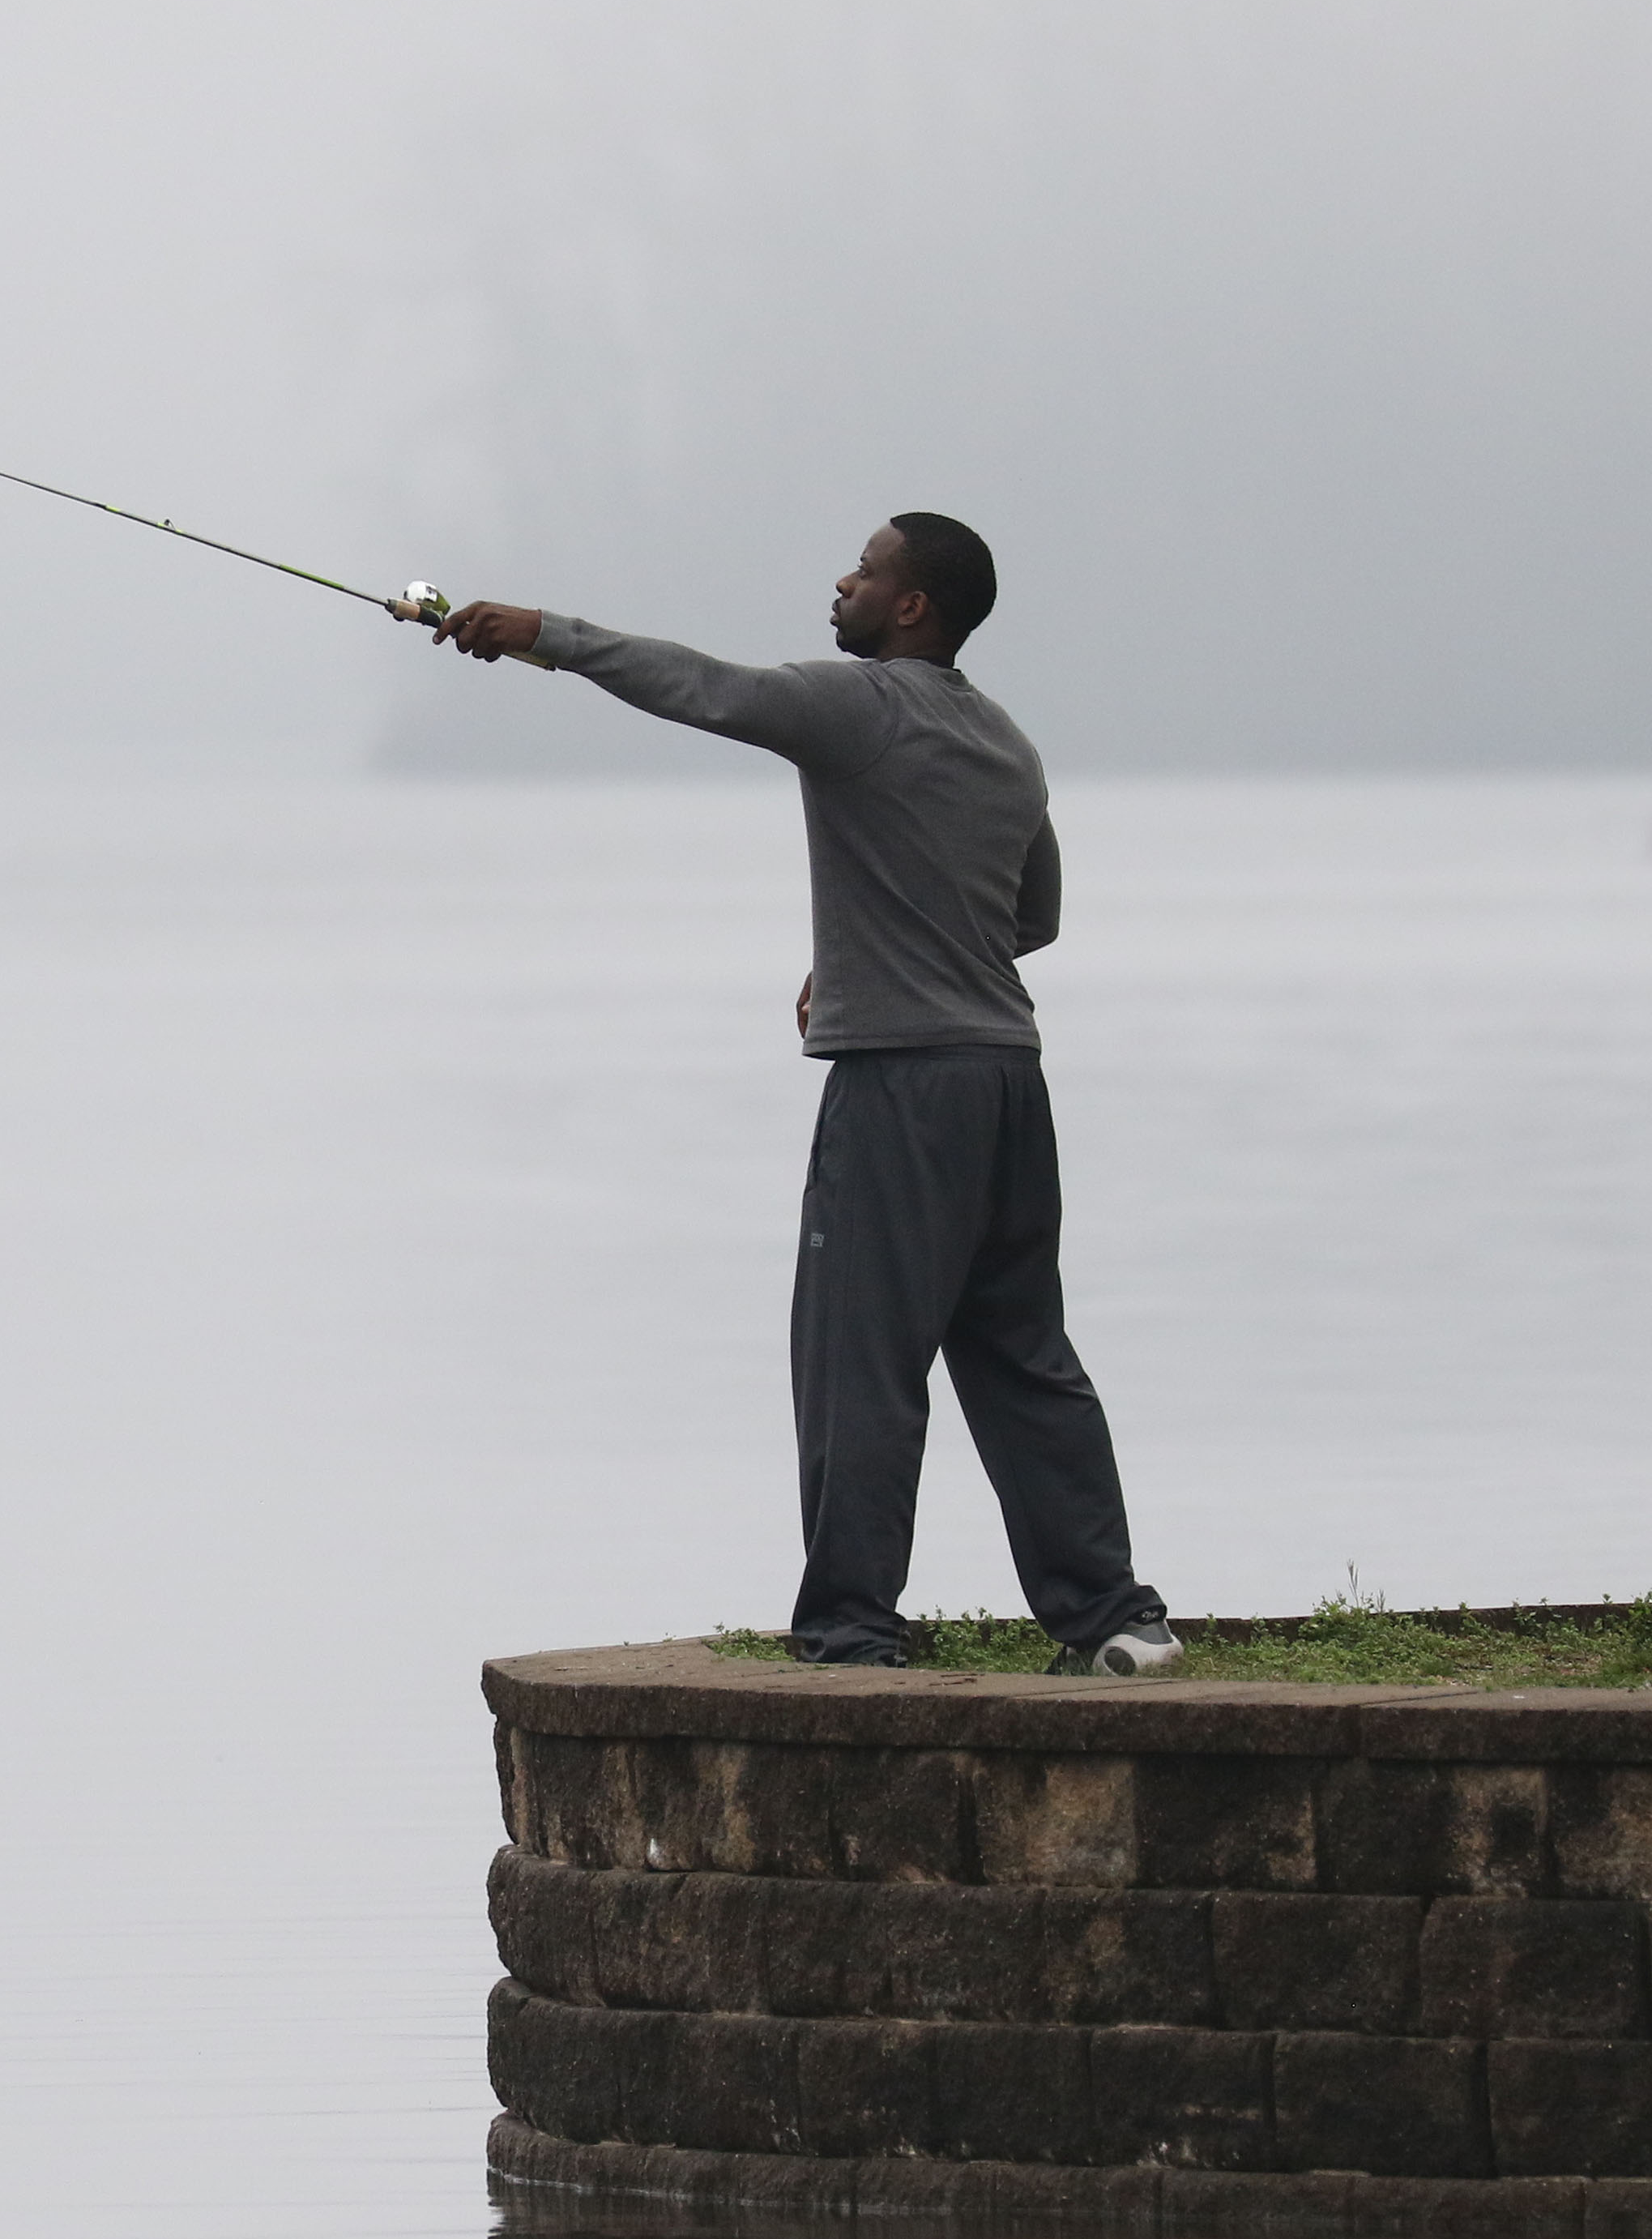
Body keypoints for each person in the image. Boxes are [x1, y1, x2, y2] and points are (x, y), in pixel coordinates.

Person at [433, 517, 1176, 1675]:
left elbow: (701, 688)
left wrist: (544, 636)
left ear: (914, 606)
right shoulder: (1008, 744)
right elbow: (1035, 917)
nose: (845, 580)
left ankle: (852, 1626)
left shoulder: (859, 709)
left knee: (858, 1361)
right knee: (1024, 1355)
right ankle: (1114, 1619)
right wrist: (889, 950)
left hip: (901, 1090)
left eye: (867, 569)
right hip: (1006, 1086)